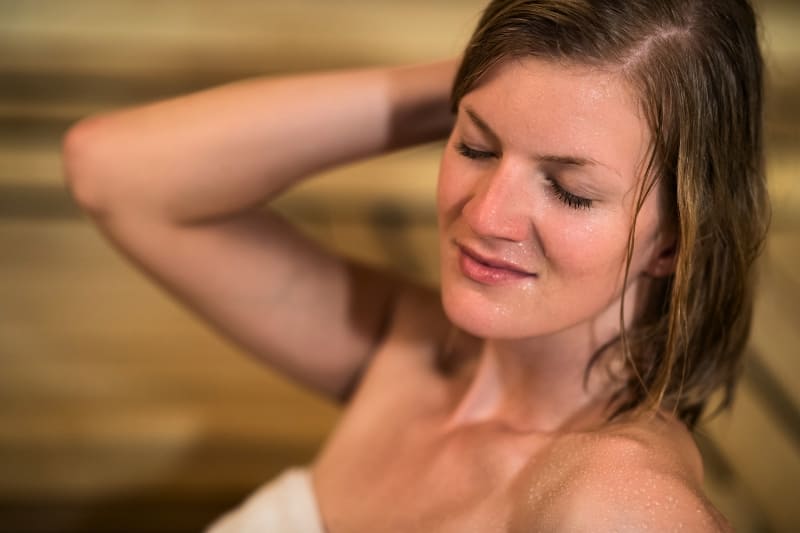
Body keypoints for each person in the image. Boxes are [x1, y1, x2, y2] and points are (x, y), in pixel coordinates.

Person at [62, 0, 768, 530]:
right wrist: (482, 80)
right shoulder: (406, 344)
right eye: (476, 147)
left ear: (675, 240)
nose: (486, 216)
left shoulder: (611, 493)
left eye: (569, 190)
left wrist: (504, 104)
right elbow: (111, 172)